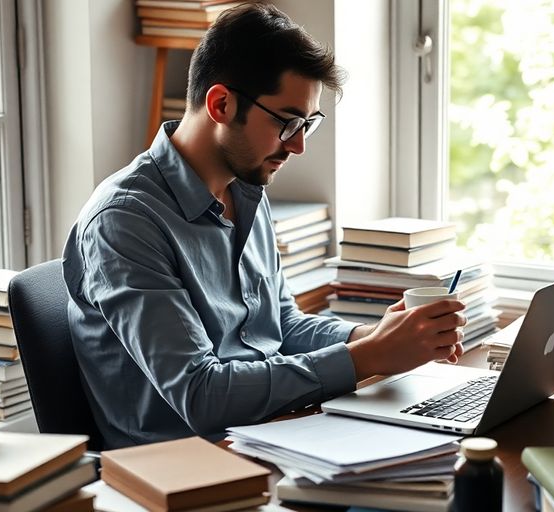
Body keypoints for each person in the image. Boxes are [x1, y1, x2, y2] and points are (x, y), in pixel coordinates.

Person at [63, 3, 466, 448]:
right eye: (288, 122)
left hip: (271, 430)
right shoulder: (124, 220)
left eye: (308, 125)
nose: (298, 146)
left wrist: (375, 337)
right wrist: (364, 357)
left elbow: (280, 327)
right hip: (187, 463)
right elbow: (200, 394)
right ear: (220, 104)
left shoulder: (244, 189)